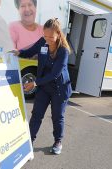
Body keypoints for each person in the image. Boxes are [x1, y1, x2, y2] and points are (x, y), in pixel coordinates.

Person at [13, 18, 72, 155]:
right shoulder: (42, 42)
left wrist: (34, 83)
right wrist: (19, 52)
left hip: (59, 89)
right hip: (44, 87)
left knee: (57, 117)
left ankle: (58, 141)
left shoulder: (63, 51)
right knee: (36, 115)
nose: (47, 39)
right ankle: (29, 141)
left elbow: (55, 74)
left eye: (51, 37)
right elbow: (30, 51)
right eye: (45, 36)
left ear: (58, 34)